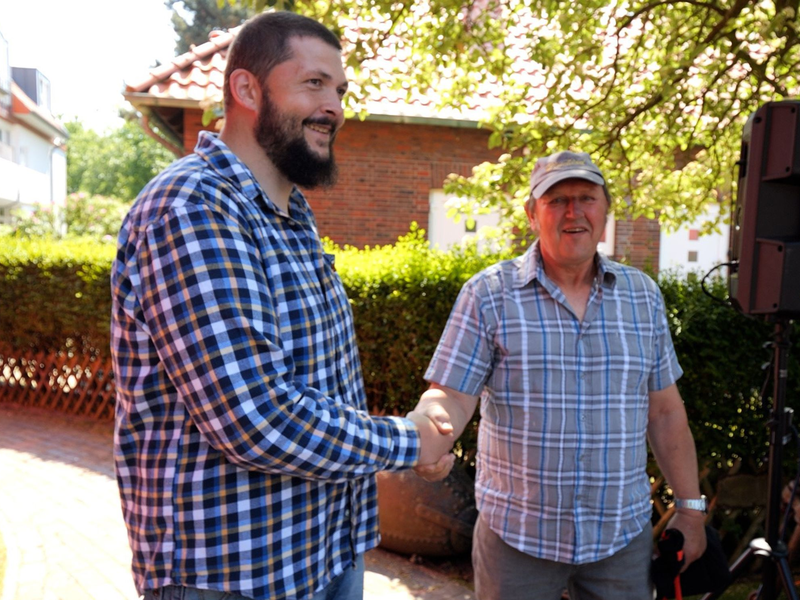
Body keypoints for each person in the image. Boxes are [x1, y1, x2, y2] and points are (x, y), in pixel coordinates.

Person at [110, 12, 452, 600]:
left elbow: (319, 385)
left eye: (339, 89)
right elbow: (254, 418)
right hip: (232, 577)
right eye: (314, 83)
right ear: (247, 89)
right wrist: (410, 440)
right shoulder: (193, 207)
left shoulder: (291, 215)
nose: (335, 107)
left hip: (322, 549)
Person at [411, 151, 708, 599]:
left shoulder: (642, 297)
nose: (574, 212)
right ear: (532, 214)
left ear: (605, 212)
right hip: (516, 540)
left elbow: (665, 412)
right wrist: (428, 437)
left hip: (620, 540)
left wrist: (689, 508)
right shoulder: (488, 295)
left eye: (587, 198)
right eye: (556, 200)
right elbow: (449, 395)